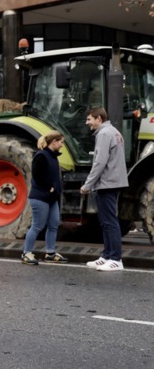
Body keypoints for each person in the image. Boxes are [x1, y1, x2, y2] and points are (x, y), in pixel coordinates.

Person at [80, 107, 129, 271]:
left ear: (99, 118)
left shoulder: (103, 134)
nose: (87, 123)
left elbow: (99, 162)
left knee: (109, 222)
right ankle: (107, 255)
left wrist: (87, 184)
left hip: (107, 182)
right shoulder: (113, 131)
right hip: (113, 181)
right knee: (106, 221)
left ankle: (115, 259)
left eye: (89, 119)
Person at [20, 131, 68, 265]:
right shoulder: (41, 156)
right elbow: (36, 174)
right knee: (37, 226)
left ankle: (50, 253)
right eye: (61, 142)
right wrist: (49, 187)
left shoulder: (52, 156)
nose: (62, 145)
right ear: (54, 142)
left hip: (51, 198)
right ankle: (26, 253)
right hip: (40, 197)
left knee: (54, 224)